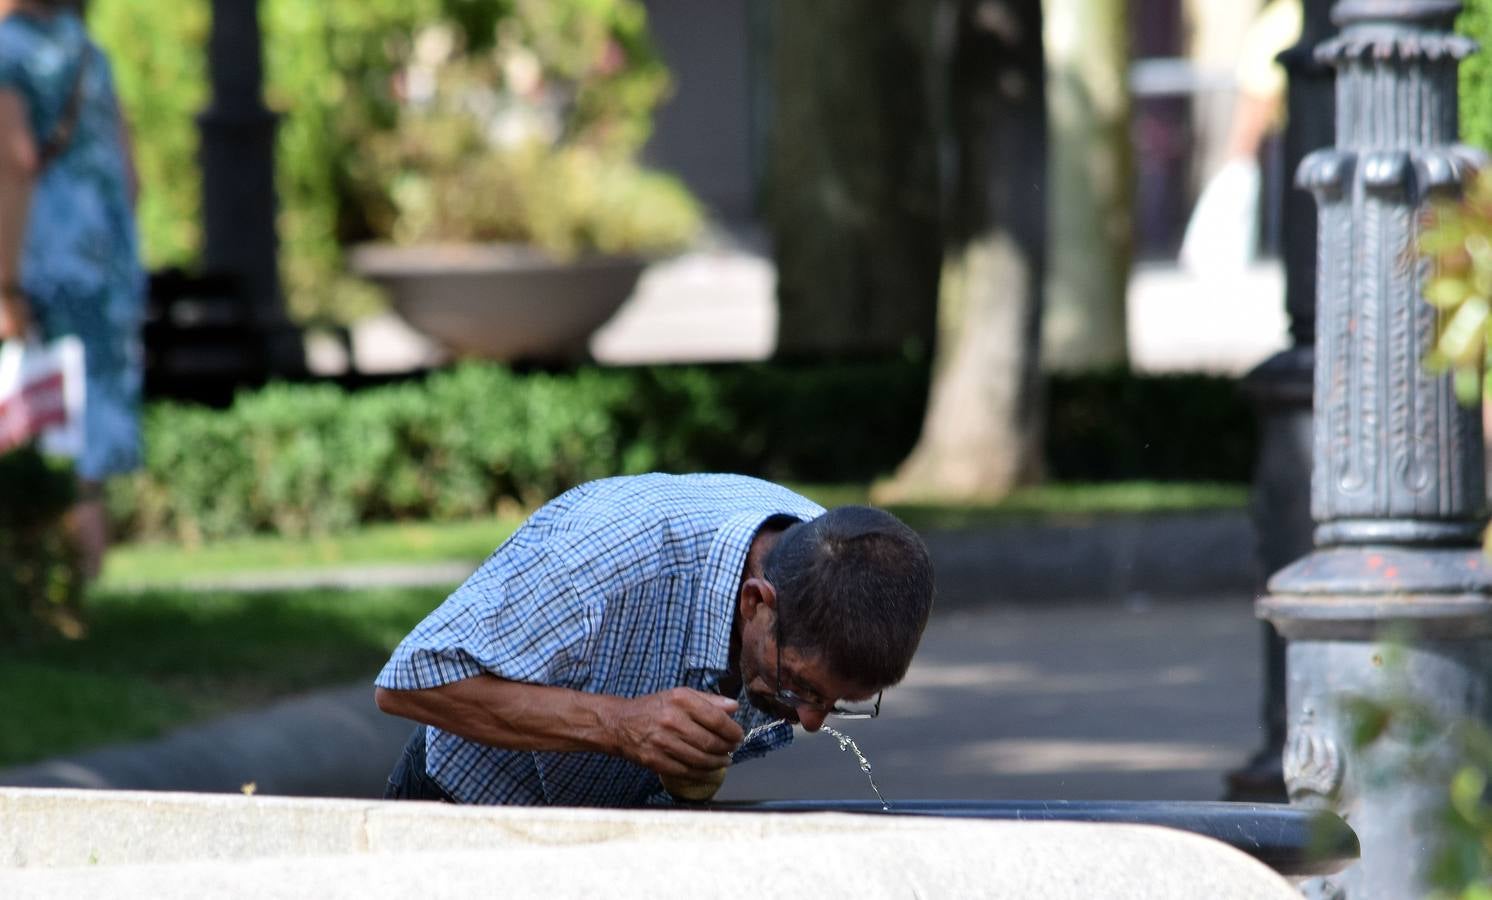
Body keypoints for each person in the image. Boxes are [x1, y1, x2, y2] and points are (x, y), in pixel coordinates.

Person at [374, 473, 936, 807]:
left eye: (839, 704)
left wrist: (684, 772)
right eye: (803, 687)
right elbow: (410, 684)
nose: (812, 721)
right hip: (466, 809)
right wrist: (622, 725)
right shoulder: (602, 561)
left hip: (613, 828)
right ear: (755, 603)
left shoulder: (839, 560)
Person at [0, 0, 144, 579]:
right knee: (81, 447)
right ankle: (78, 600)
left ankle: (42, 604)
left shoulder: (8, 55)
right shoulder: (87, 52)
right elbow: (131, 180)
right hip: (103, 272)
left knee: (34, 434)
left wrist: (6, 286)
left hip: (39, 271)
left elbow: (13, 168)